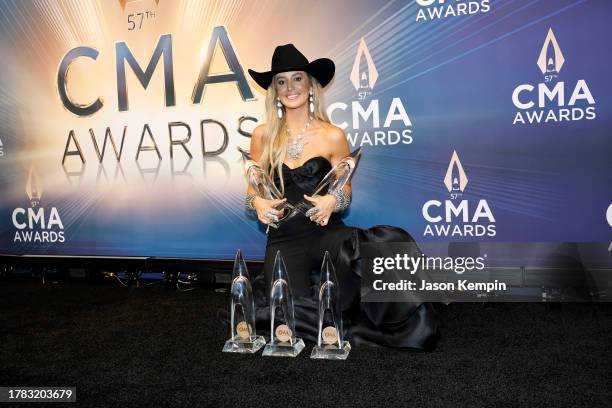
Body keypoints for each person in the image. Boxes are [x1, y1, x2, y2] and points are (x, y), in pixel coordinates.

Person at [244, 44, 438, 350]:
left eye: (298, 79)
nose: (290, 87)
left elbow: (344, 187)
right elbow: (254, 188)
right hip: (283, 241)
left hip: (325, 234)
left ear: (310, 86)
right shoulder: (262, 135)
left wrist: (333, 200)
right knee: (286, 317)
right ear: (274, 91)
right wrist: (258, 203)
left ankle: (402, 315)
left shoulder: (332, 134)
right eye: (282, 81)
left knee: (380, 246)